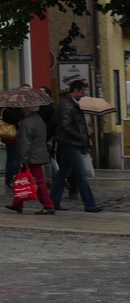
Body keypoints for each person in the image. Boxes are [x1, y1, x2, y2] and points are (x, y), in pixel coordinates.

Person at [50, 79, 101, 212]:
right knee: (81, 174)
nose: (84, 94)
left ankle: (53, 201)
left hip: (71, 143)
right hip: (70, 143)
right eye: (82, 92)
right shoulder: (67, 105)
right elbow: (65, 126)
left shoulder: (72, 104)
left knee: (63, 174)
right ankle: (90, 204)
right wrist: (81, 138)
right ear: (76, 91)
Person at [6, 106, 55, 214]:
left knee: (39, 181)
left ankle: (48, 205)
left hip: (31, 156)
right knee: (21, 179)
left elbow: (25, 143)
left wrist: (24, 159)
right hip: (37, 154)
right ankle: (17, 203)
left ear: (28, 109)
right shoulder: (39, 119)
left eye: (24, 108)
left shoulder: (27, 123)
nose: (22, 109)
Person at [0, 106, 24, 189]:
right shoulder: (13, 111)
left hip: (7, 138)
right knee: (15, 159)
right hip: (14, 137)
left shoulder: (4, 110)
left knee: (10, 159)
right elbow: (16, 120)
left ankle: (9, 179)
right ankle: (13, 178)